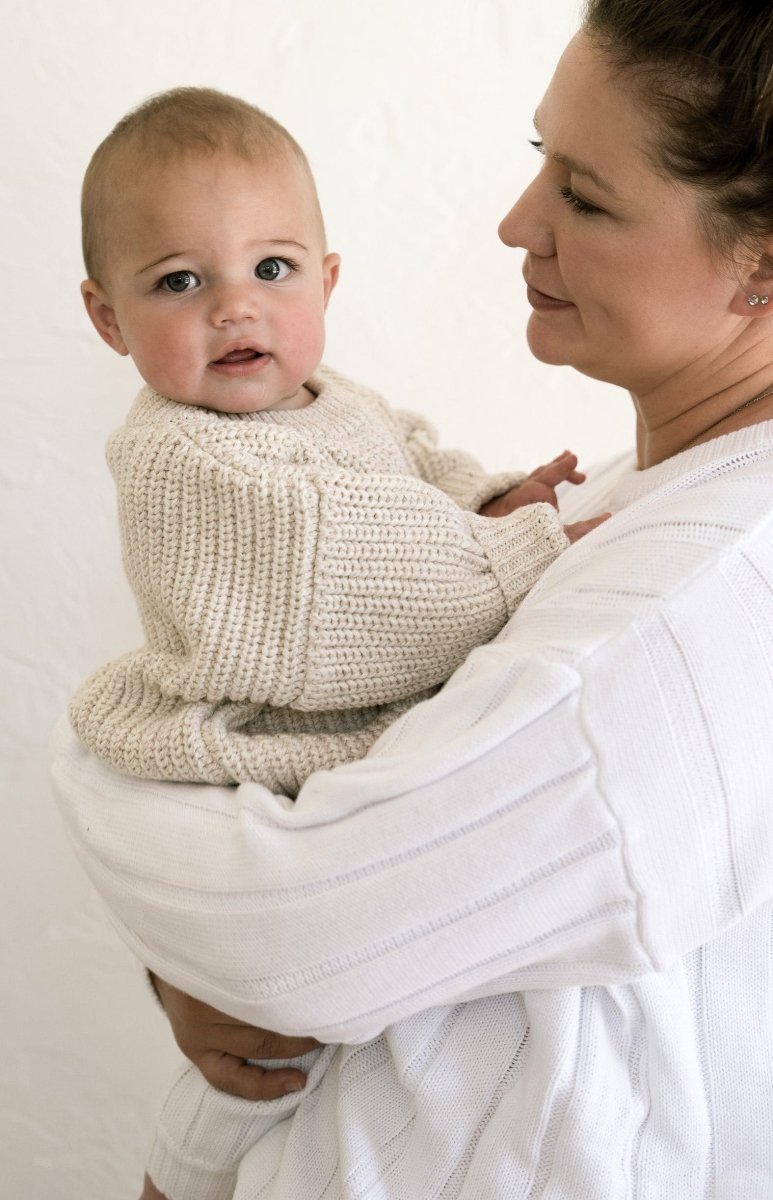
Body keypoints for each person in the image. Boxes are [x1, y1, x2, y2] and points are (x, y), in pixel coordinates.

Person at [50, 0, 773, 1196]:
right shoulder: (616, 504)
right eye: (537, 159)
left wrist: (134, 838)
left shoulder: (690, 602)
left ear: (763, 261)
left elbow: (284, 945)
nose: (515, 221)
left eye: (582, 196)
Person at [69, 85, 596, 797]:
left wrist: (492, 497)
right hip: (283, 724)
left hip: (389, 687)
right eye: (180, 280)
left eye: (271, 269)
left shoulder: (333, 395)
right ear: (109, 320)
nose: (234, 308)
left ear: (326, 282)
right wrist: (525, 547)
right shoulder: (183, 458)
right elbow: (364, 579)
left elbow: (414, 460)